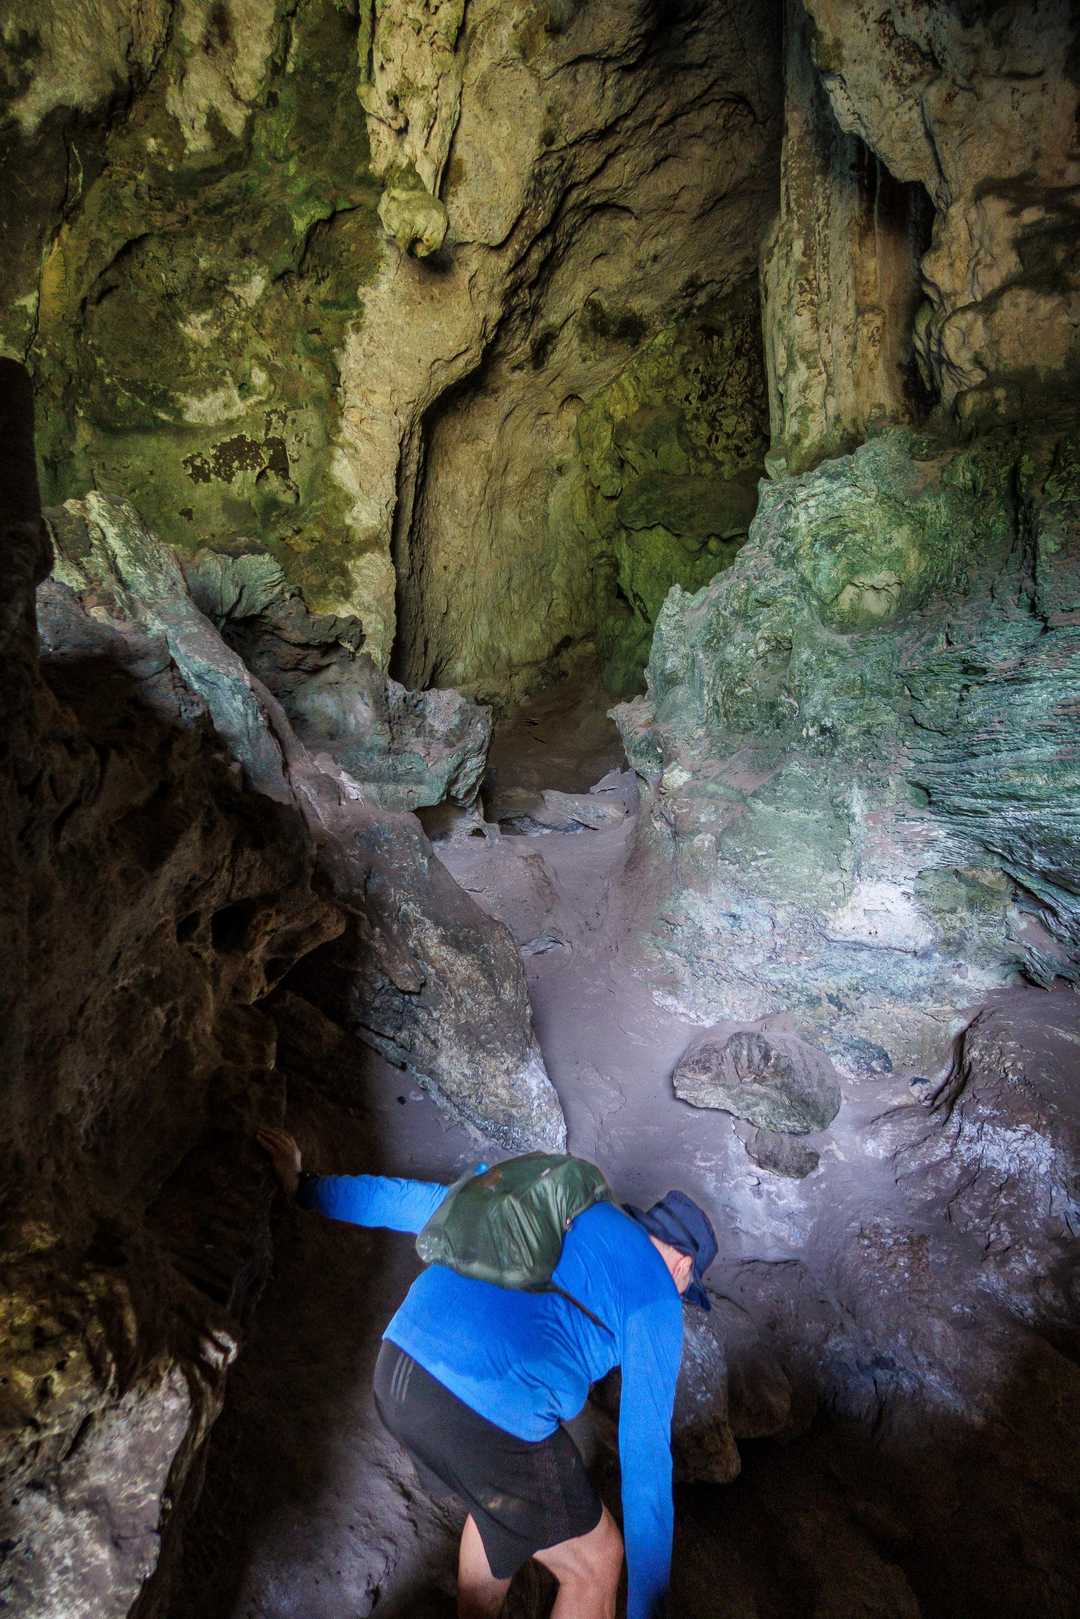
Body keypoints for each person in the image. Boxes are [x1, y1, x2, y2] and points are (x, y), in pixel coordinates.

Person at [256, 1126, 718, 1619]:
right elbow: (646, 1461)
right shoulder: (658, 1297)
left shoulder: (562, 1204)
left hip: (398, 1370)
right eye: (687, 1289)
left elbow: (423, 1204)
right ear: (682, 1266)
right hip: (482, 1413)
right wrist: (649, 1610)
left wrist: (306, 1186)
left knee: (500, 1498)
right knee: (597, 1561)